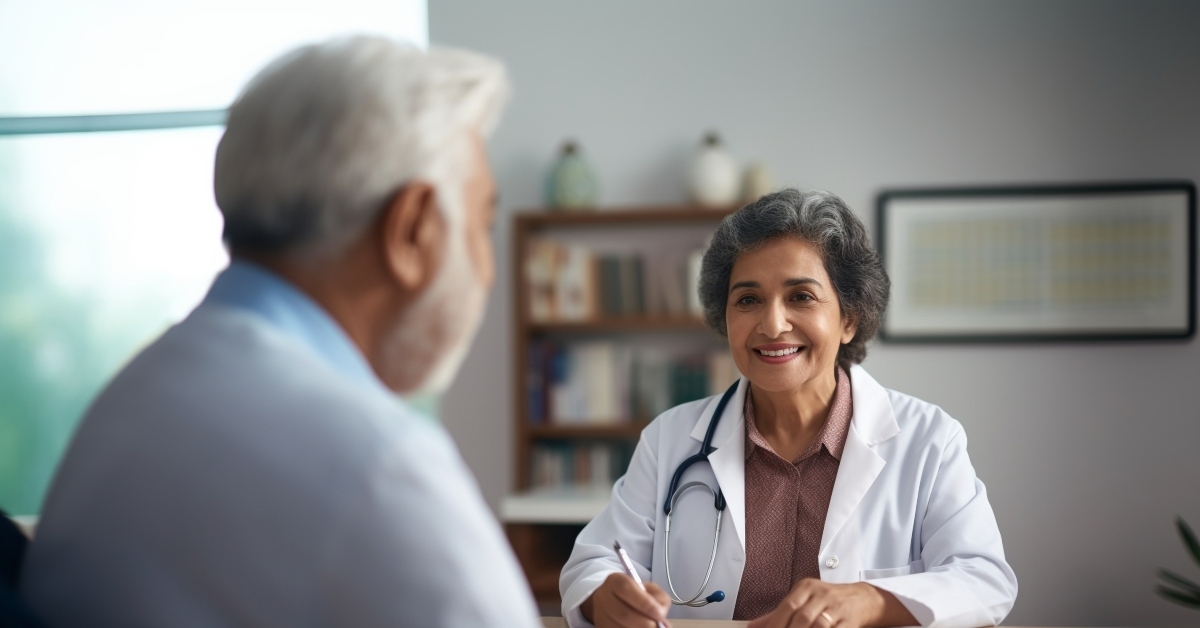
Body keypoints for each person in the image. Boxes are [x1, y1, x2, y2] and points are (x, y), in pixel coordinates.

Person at [20, 36, 541, 627]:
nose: (486, 267)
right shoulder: (378, 465)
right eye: (480, 223)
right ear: (411, 232)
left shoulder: (128, 401)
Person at [559, 189, 1018, 628]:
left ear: (850, 318)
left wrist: (869, 601)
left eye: (801, 296)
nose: (772, 324)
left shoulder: (929, 439)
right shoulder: (670, 439)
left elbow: (984, 580)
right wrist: (605, 597)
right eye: (748, 300)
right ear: (726, 319)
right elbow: (594, 562)